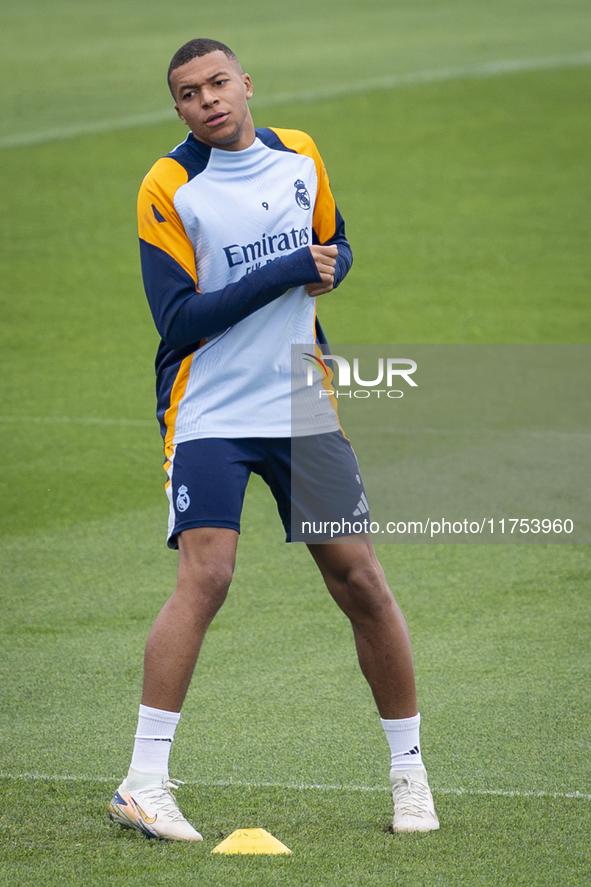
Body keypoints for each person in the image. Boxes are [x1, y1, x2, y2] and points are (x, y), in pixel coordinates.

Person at [108, 37, 439, 841]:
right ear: (178, 107)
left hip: (301, 405)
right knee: (208, 574)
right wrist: (286, 267)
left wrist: (330, 266)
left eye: (218, 82)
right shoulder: (169, 185)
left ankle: (410, 776)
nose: (207, 100)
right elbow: (178, 318)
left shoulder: (300, 154)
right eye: (188, 93)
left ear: (246, 83)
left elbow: (335, 243)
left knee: (361, 580)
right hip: (209, 412)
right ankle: (142, 783)